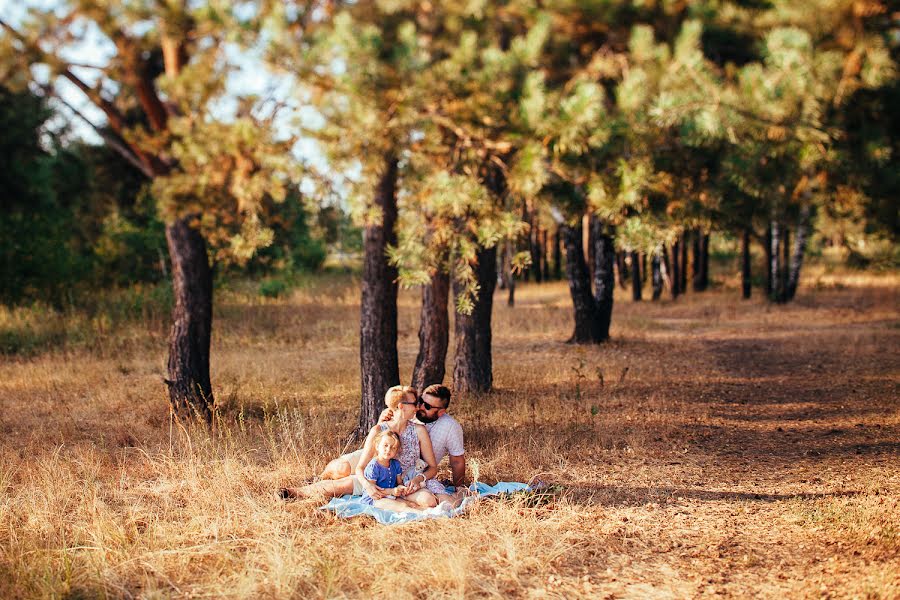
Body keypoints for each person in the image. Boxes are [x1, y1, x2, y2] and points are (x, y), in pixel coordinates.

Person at [359, 430, 424, 513]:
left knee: (410, 504)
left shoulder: (395, 464)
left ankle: (431, 512)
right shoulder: (374, 466)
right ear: (377, 446)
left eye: (393, 448)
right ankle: (421, 514)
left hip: (390, 495)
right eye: (385, 445)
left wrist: (402, 488)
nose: (388, 449)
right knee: (401, 506)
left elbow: (399, 483)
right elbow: (373, 491)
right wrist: (392, 491)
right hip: (375, 499)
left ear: (396, 451)